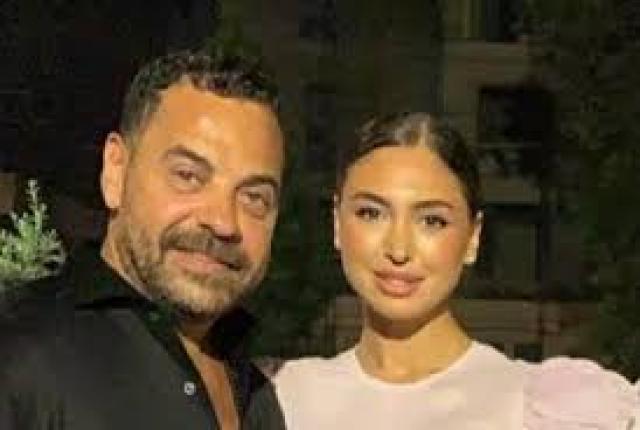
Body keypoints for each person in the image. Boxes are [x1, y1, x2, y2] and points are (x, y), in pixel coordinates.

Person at [272, 112, 640, 429]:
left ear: (473, 237)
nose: (398, 250)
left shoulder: (544, 408)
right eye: (371, 213)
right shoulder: (286, 399)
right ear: (337, 224)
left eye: (432, 221)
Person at [0, 50, 287, 429]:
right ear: (115, 172)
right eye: (188, 176)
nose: (223, 222)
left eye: (254, 197)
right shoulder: (19, 356)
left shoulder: (256, 396)